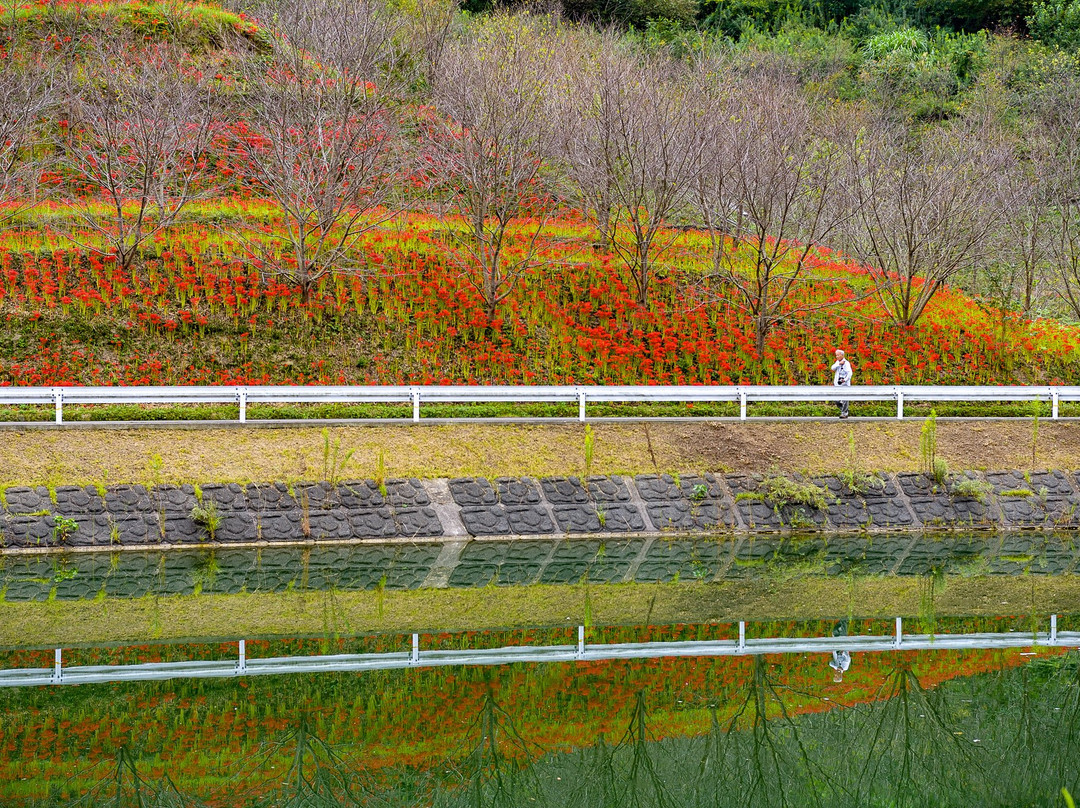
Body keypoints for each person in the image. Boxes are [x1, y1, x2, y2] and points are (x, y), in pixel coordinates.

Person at [831, 349, 852, 419]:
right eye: (836, 355)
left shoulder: (847, 363)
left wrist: (844, 380)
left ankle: (844, 413)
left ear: (842, 355)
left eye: (838, 355)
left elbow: (850, 373)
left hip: (844, 384)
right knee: (836, 399)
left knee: (845, 399)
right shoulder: (837, 362)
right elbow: (832, 368)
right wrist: (839, 364)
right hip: (837, 384)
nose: (837, 356)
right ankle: (844, 410)